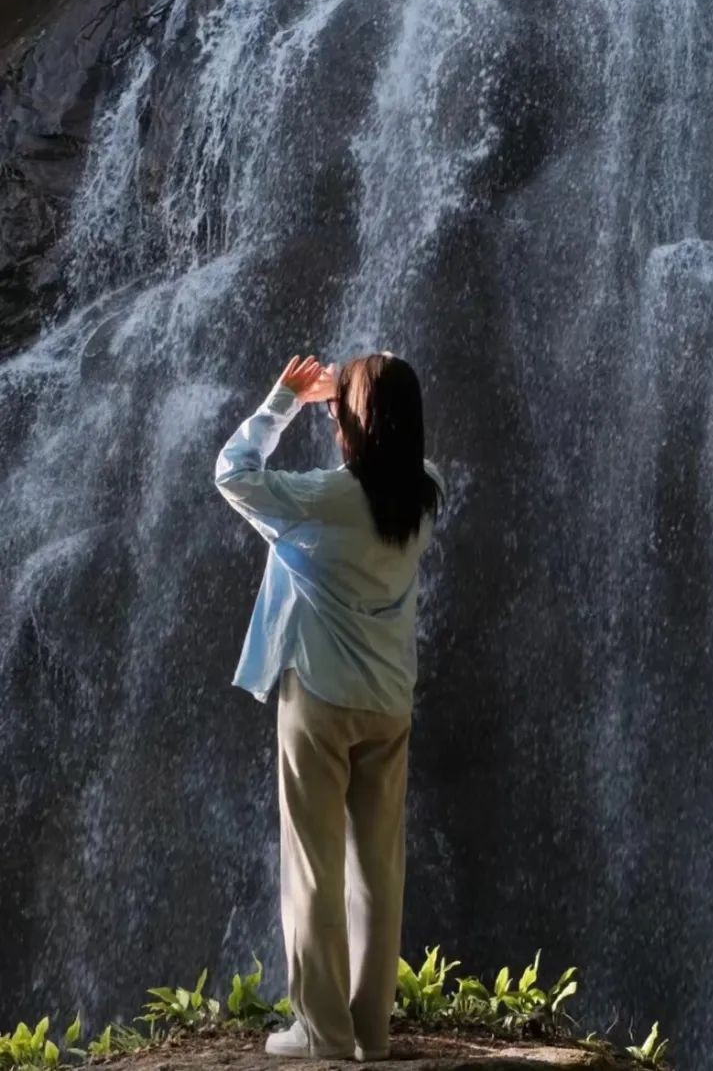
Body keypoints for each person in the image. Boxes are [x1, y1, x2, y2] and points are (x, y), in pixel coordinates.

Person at [213, 351, 447, 1063]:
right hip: (388, 702)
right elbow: (389, 472)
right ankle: (370, 1032)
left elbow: (233, 472)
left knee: (314, 865)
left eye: (344, 409)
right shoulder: (428, 491)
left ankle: (321, 1031)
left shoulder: (324, 498)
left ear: (354, 422)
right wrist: (350, 400)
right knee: (378, 869)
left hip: (319, 700)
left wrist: (285, 400)